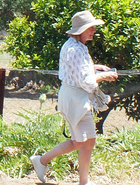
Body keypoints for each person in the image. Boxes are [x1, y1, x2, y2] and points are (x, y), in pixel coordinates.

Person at [30, 10, 118, 185]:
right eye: (91, 27)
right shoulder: (76, 49)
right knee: (86, 141)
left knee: (81, 142)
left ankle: (42, 161)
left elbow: (76, 71)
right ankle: (79, 180)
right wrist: (104, 76)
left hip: (74, 98)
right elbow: (85, 81)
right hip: (76, 99)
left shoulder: (73, 46)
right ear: (82, 30)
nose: (93, 30)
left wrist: (96, 68)